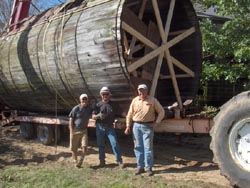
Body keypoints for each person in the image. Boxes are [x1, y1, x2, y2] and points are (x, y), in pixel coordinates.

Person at [125, 84, 165, 176]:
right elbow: (129, 114)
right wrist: (128, 126)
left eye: (143, 90)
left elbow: (161, 112)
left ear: (147, 91)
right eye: (139, 90)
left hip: (148, 127)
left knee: (148, 148)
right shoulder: (135, 100)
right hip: (136, 126)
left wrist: (156, 123)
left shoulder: (153, 100)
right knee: (138, 147)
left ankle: (148, 168)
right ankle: (140, 167)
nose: (141, 92)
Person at [92, 86, 124, 168]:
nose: (105, 96)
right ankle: (102, 162)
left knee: (114, 143)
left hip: (110, 127)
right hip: (100, 127)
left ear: (109, 95)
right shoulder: (98, 105)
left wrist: (130, 116)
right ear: (101, 95)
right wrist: (98, 116)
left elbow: (122, 112)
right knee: (100, 145)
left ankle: (119, 161)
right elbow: (93, 116)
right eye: (103, 94)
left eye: (106, 94)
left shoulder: (113, 104)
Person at [69, 93, 92, 168]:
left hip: (84, 130)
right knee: (74, 148)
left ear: (87, 100)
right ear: (80, 100)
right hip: (75, 130)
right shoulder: (76, 108)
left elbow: (94, 114)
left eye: (85, 99)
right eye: (83, 99)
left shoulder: (89, 109)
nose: (84, 101)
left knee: (85, 147)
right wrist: (71, 130)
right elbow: (71, 119)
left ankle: (81, 159)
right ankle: (75, 162)